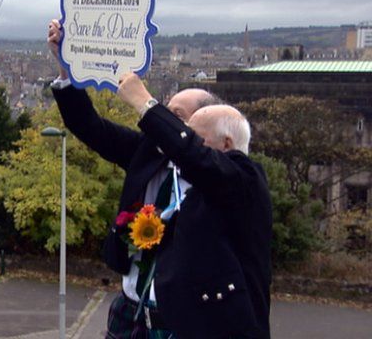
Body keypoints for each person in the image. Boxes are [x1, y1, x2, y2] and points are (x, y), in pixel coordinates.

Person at [47, 20, 266, 339]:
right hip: (131, 312)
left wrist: (143, 101)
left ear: (225, 143)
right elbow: (90, 126)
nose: (161, 123)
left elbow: (195, 156)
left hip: (192, 324)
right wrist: (67, 67)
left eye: (176, 118)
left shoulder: (241, 180)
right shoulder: (150, 154)